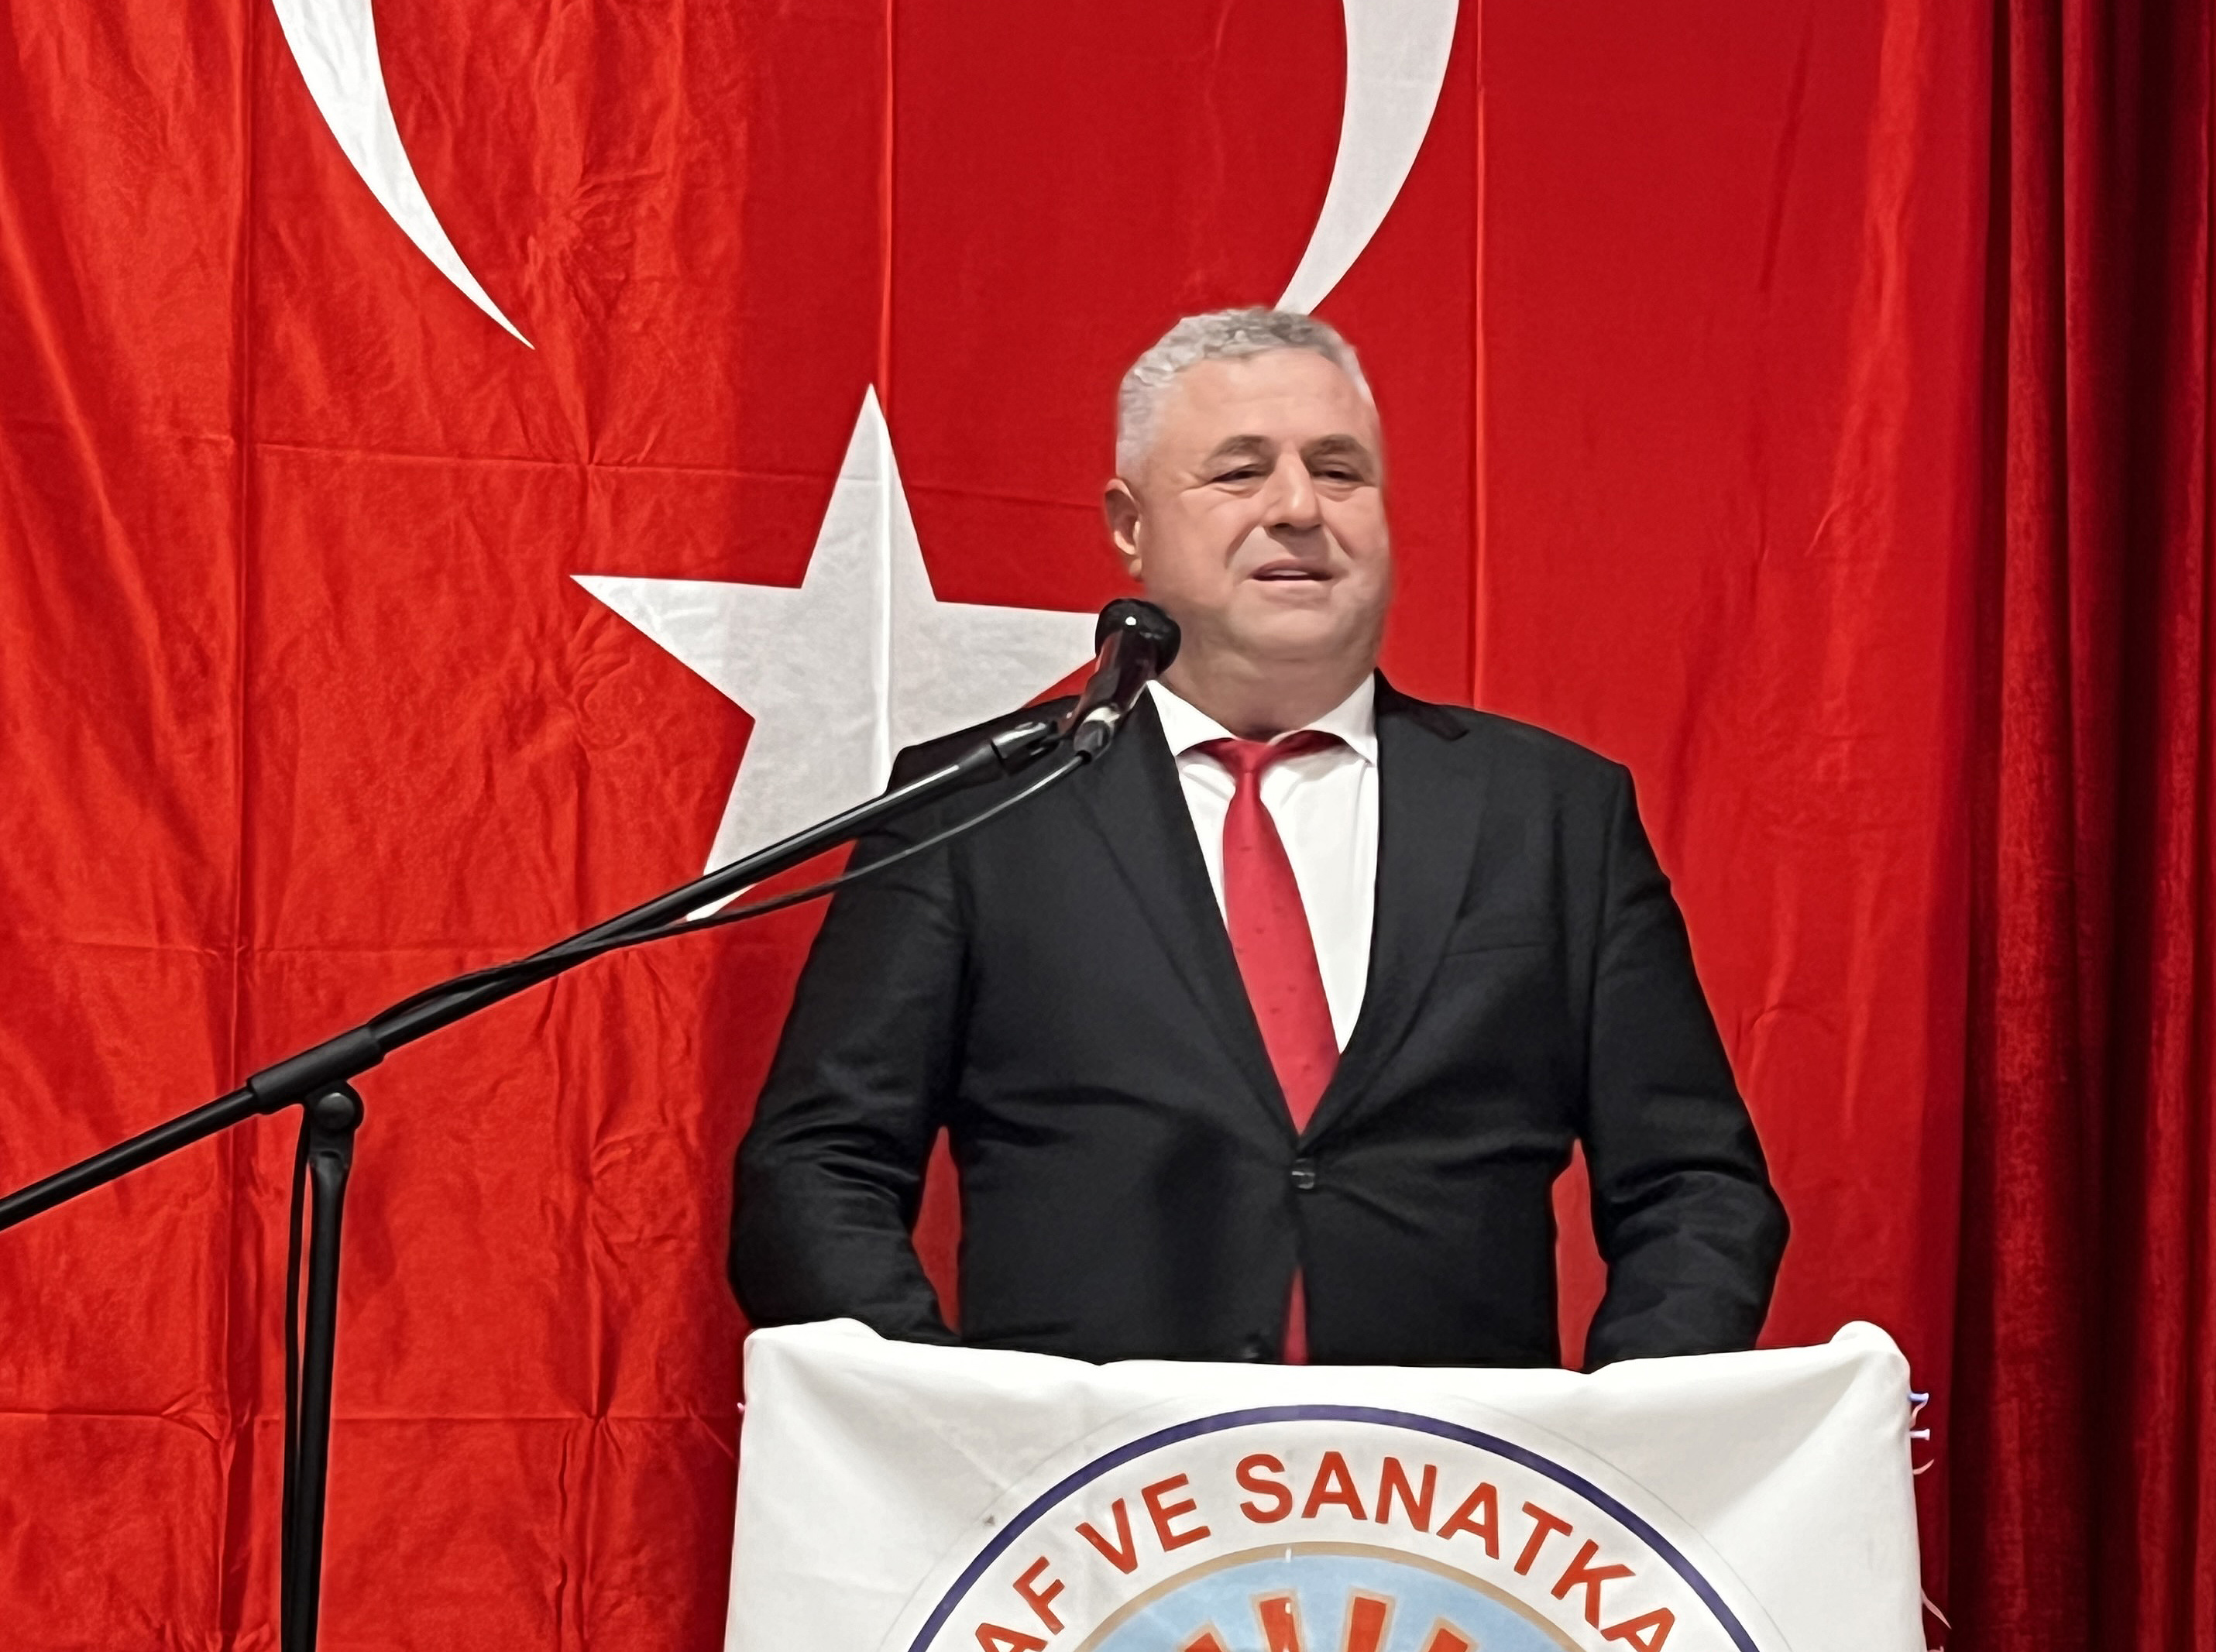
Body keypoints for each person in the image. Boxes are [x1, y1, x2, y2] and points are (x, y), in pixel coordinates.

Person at [729, 308, 1786, 1368]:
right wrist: (952, 1422)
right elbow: (819, 1166)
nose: (1297, 508)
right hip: (1089, 1467)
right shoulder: (978, 808)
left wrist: (1611, 1435)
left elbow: (1694, 1186)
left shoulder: (1551, 813)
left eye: (1339, 471)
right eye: (1239, 473)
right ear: (1129, 525)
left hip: (1449, 1469)